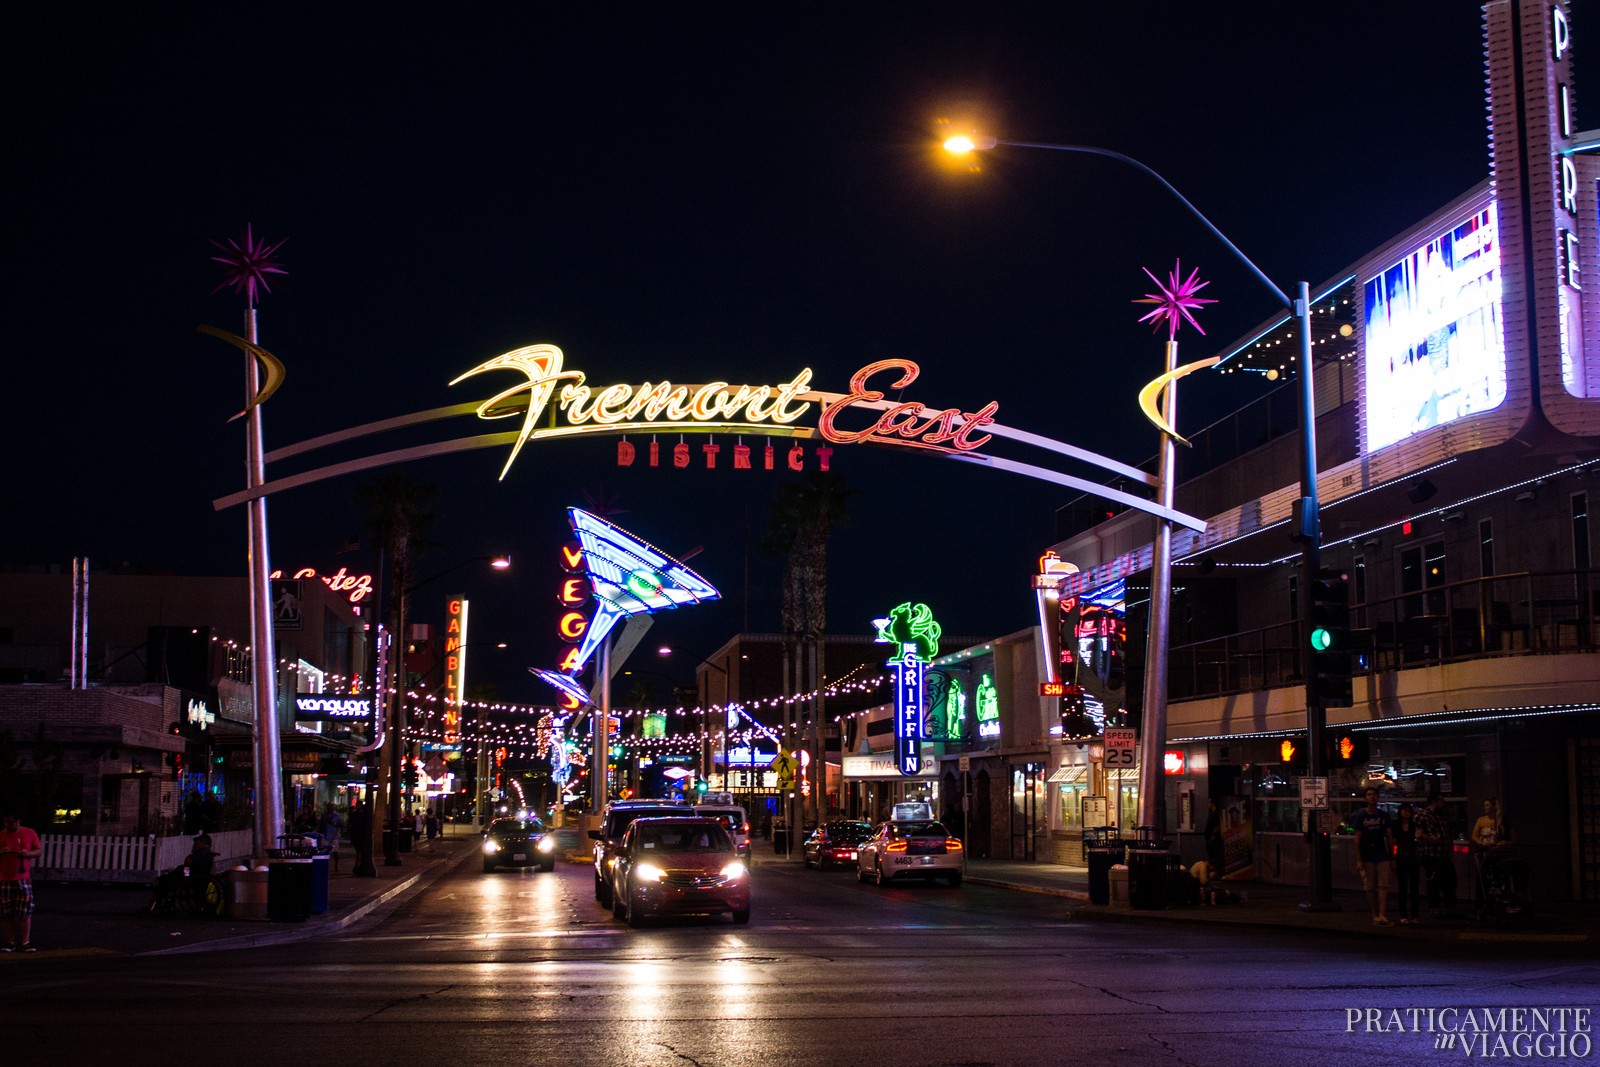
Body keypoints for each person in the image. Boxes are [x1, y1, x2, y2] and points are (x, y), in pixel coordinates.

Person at [1350, 788, 1395, 926]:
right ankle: (1374, 914)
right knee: (1370, 886)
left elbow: (1389, 836)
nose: (1372, 797)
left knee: (1383, 885)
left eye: (1374, 795)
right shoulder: (1361, 816)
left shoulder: (1383, 816)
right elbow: (1357, 838)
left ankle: (1382, 914)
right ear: (1365, 799)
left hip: (1382, 854)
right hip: (1367, 855)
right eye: (1369, 795)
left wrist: (1391, 857)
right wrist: (1359, 859)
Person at [1, 813, 43, 952]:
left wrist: (27, 853)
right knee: (7, 911)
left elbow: (38, 851)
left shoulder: (29, 833)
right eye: (6, 822)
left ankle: (25, 941)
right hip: (4, 878)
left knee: (25, 911)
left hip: (22, 877)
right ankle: (10, 941)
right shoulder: (1, 834)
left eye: (11, 822)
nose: (8, 825)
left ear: (18, 821)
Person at [1414, 791, 1457, 917]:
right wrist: (1428, 838)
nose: (1442, 804)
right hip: (1431, 855)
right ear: (1434, 801)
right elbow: (1416, 832)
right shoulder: (1422, 815)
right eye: (1441, 801)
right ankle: (1434, 907)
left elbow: (1447, 834)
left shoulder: (1441, 816)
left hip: (1444, 854)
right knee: (1434, 882)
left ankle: (1449, 907)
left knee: (1450, 881)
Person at [1393, 803, 1422, 925]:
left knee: (1414, 888)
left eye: (1409, 810)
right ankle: (1403, 914)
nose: (1406, 812)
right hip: (1401, 858)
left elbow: (1417, 842)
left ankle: (1414, 915)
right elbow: (1393, 841)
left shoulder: (1414, 825)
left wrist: (1417, 838)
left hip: (1412, 858)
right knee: (1403, 887)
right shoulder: (1396, 826)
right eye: (1404, 810)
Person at [1203, 797, 1225, 875]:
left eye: (1209, 802)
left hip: (1213, 839)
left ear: (1212, 803)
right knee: (1211, 854)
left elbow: (1216, 826)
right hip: (1210, 838)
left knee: (1215, 855)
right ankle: (1214, 871)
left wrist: (1212, 837)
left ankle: (1216, 871)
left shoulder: (1216, 814)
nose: (1208, 804)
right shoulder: (1211, 813)